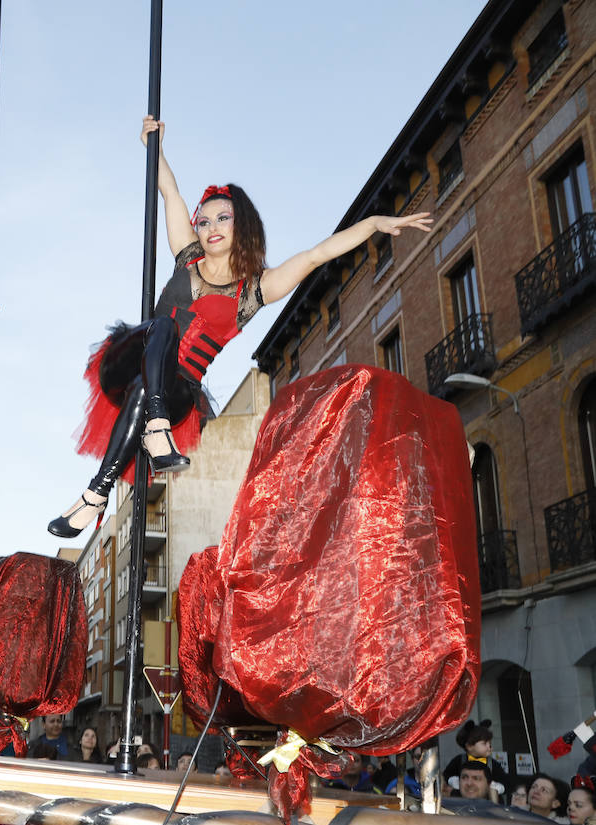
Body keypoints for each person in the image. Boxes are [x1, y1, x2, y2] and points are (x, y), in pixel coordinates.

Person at [49, 116, 432, 537]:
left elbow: (316, 255)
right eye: (205, 220)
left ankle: (93, 498)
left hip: (175, 393)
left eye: (223, 219)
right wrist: (153, 147)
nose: (211, 228)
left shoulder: (253, 292)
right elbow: (169, 191)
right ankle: (154, 430)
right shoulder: (186, 256)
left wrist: (375, 224)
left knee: (149, 388)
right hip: (127, 359)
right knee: (162, 330)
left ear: (241, 225)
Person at [443, 719, 508, 798]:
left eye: (489, 743)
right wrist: (453, 781)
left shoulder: (493, 764)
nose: (489, 747)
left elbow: (505, 782)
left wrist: (498, 787)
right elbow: (446, 775)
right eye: (484, 743)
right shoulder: (459, 760)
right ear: (469, 746)